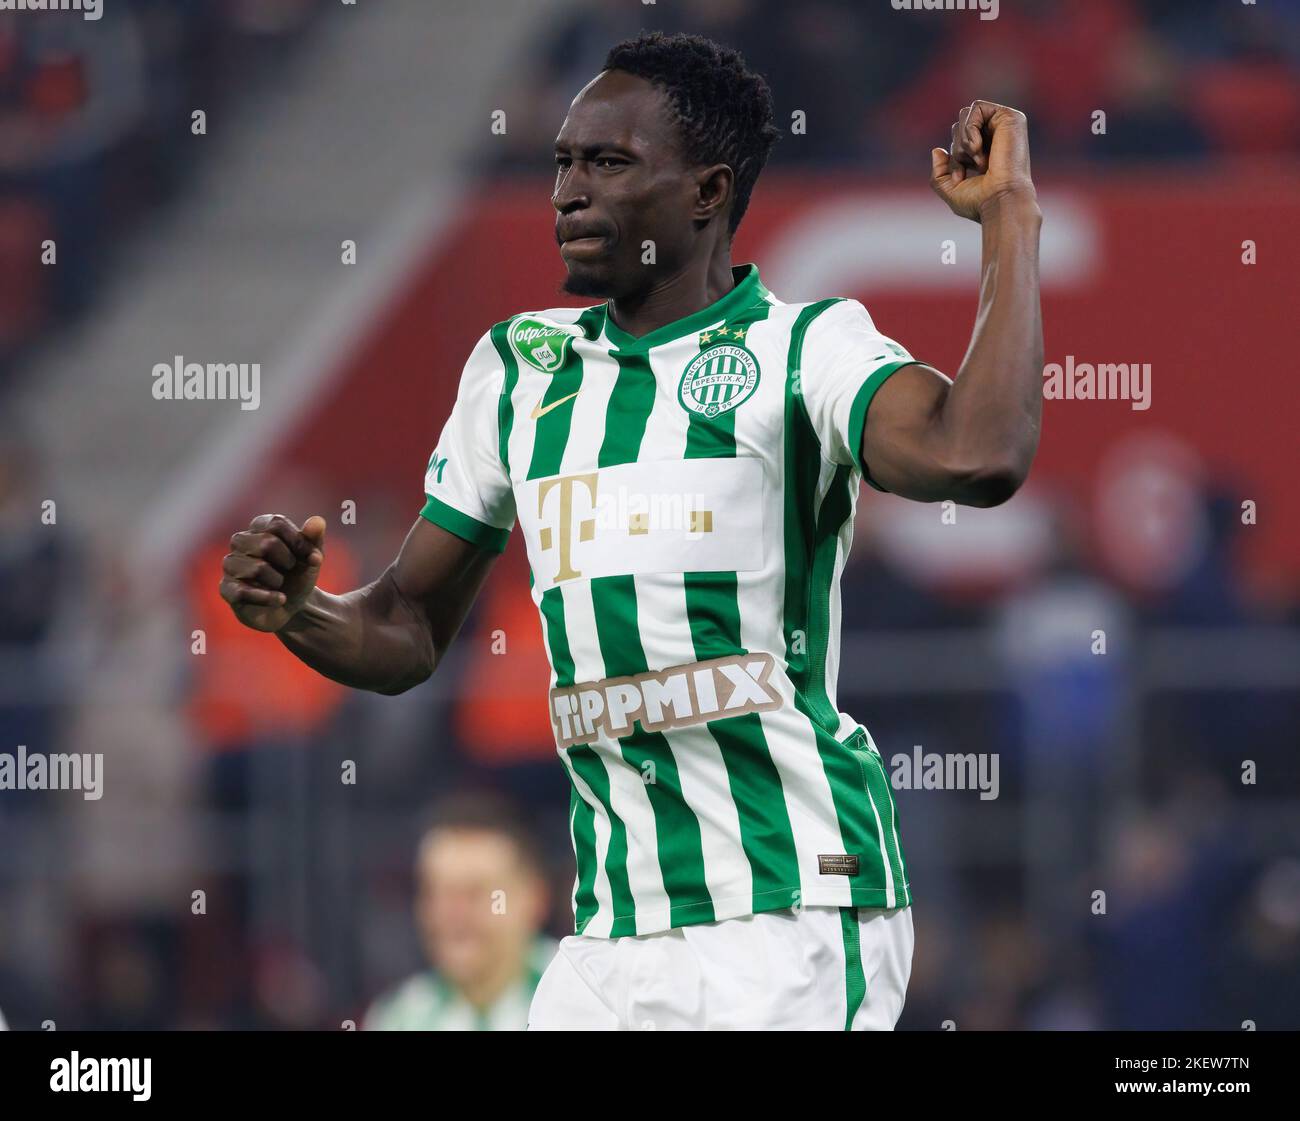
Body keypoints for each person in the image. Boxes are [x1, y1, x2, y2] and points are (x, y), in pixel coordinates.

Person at [219, 31, 1042, 1030]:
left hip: (788, 913)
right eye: (563, 161)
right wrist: (300, 610)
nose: (568, 190)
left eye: (608, 163)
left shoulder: (802, 347)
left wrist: (1007, 218)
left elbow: (976, 454)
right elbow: (404, 629)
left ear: (706, 191)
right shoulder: (518, 370)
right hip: (607, 936)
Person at [364, 795, 554, 1031]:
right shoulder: (399, 1018)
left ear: (534, 898)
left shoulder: (587, 996)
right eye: (436, 893)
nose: (453, 915)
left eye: (475, 893)